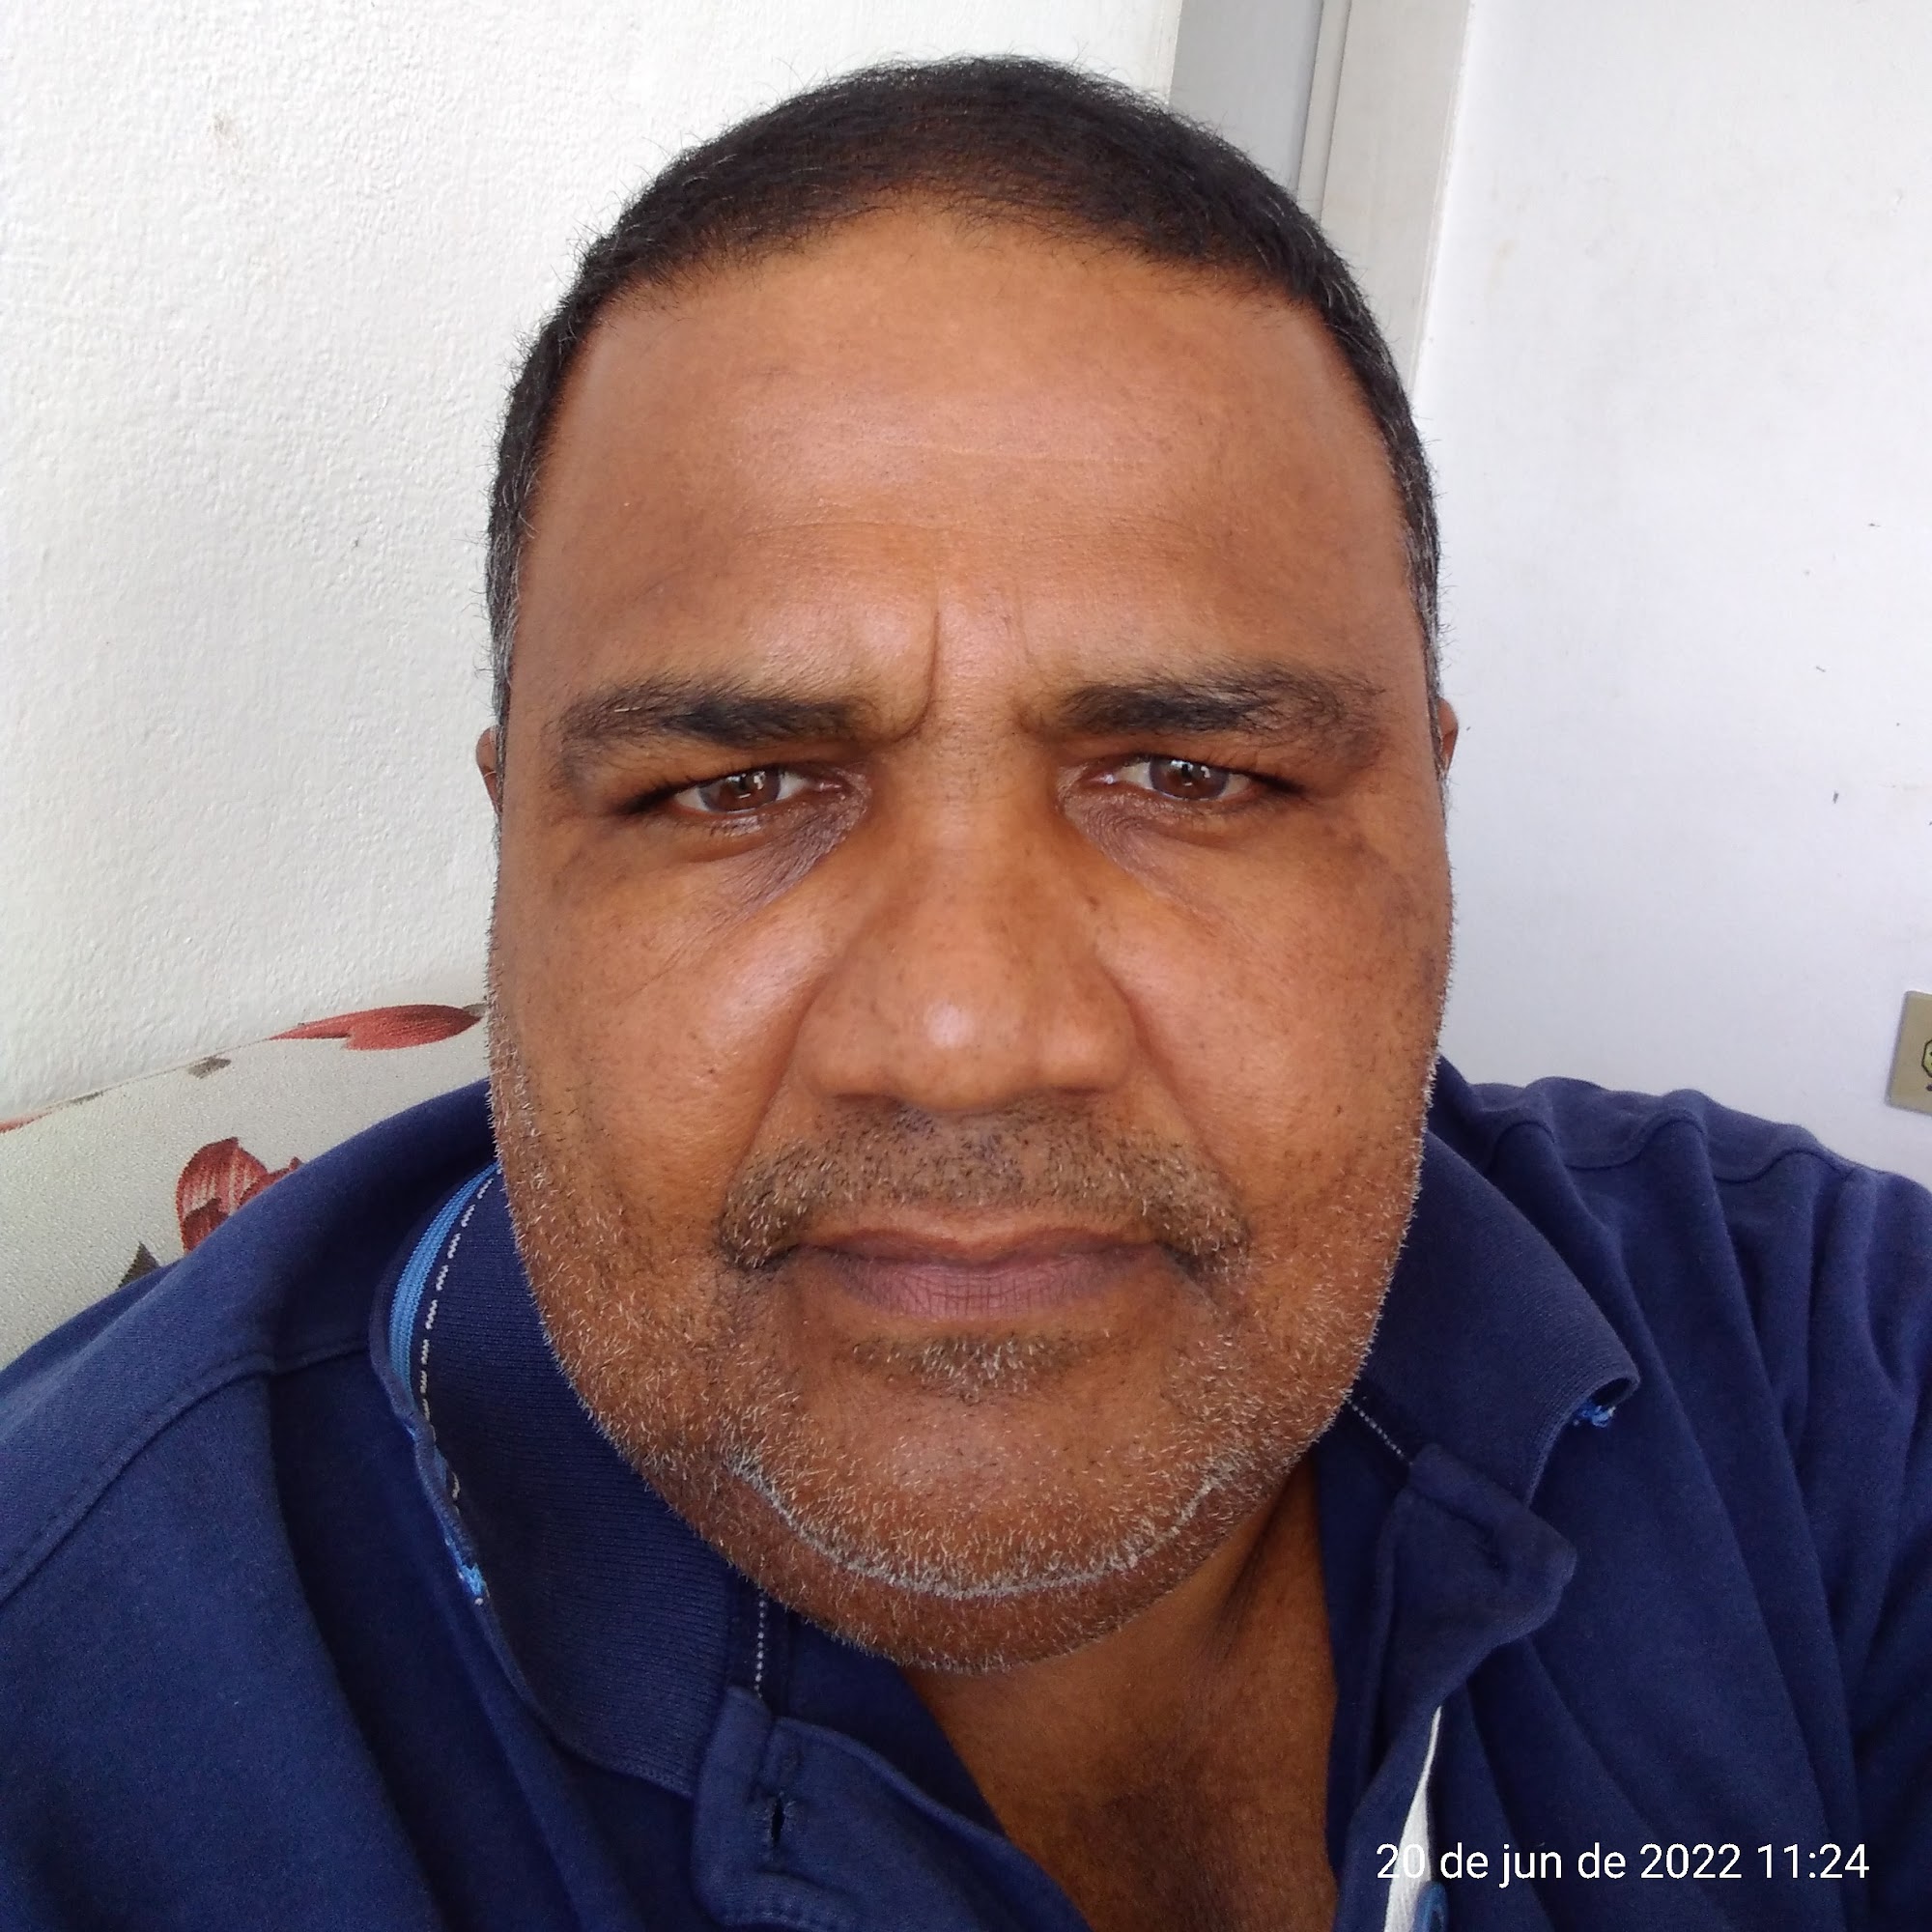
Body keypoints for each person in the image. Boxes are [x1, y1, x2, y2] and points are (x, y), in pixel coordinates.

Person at [1, 56, 1926, 1932]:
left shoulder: (1821, 1373)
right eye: (738, 788)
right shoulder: (74, 1715)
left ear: (1428, 824)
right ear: (520, 860)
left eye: (1191, 774)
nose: (962, 1039)